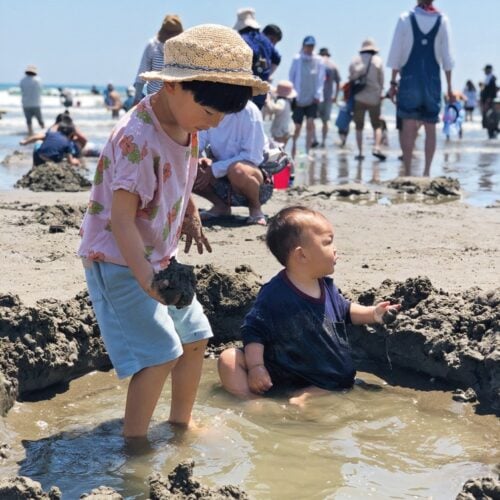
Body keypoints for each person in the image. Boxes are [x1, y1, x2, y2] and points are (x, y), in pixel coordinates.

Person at [77, 24, 268, 438]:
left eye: (222, 115)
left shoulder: (189, 125)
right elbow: (120, 218)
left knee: (196, 336)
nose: (214, 123)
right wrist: (145, 279)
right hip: (118, 260)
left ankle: (180, 424)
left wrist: (189, 215)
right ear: (174, 87)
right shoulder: (137, 139)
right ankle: (135, 443)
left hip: (160, 257)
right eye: (209, 111)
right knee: (160, 355)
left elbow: (179, 179)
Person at [218, 206, 400, 405]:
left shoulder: (326, 286)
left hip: (328, 376)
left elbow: (346, 310)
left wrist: (374, 313)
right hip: (289, 369)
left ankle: (307, 398)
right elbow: (254, 331)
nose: (335, 248)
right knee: (229, 359)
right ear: (302, 255)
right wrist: (256, 367)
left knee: (303, 398)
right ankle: (251, 402)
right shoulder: (274, 294)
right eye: (328, 242)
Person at [387, 0, 454, 176]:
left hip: (409, 78)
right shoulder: (442, 20)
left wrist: (393, 82)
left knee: (408, 125)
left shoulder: (405, 18)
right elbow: (447, 57)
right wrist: (449, 87)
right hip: (432, 80)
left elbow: (396, 53)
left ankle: (408, 171)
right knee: (430, 126)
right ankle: (426, 172)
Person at [193, 100, 271, 226]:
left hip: (254, 177)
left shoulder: (248, 110)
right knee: (187, 167)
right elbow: (196, 145)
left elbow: (253, 157)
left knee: (238, 170)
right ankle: (220, 206)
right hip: (220, 174)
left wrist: (213, 169)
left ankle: (255, 208)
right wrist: (200, 160)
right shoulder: (207, 107)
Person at [234, 8, 281, 110]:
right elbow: (277, 58)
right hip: (261, 91)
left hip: (244, 92)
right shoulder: (265, 40)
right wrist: (268, 74)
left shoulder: (241, 38)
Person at [133, 14, 183, 105]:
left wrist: (137, 98)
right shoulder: (153, 45)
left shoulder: (183, 48)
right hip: (165, 101)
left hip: (165, 101)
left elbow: (141, 74)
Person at [349, 39, 386, 161]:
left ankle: (360, 153)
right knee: (377, 125)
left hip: (359, 97)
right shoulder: (378, 61)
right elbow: (381, 81)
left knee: (359, 126)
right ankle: (376, 147)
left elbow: (351, 77)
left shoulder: (355, 60)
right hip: (374, 98)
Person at [289, 36, 325, 158]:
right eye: (308, 45)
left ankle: (307, 151)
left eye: (312, 46)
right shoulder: (297, 59)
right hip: (298, 98)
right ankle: (293, 147)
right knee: (297, 127)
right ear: (303, 45)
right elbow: (291, 77)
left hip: (312, 98)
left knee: (310, 124)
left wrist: (318, 94)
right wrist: (292, 94)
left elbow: (321, 79)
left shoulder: (319, 60)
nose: (310, 48)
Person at [317, 48, 341, 148]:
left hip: (317, 96)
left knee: (311, 118)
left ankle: (314, 140)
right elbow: (338, 82)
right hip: (328, 97)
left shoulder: (316, 63)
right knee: (325, 121)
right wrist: (335, 96)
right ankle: (323, 141)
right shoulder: (333, 65)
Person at [265, 80, 296, 147]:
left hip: (280, 128)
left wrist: (268, 101)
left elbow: (274, 109)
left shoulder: (281, 101)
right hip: (288, 127)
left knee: (278, 149)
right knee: (282, 148)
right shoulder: (288, 101)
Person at [19, 64, 44, 136]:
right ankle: (44, 132)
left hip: (25, 103)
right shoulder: (38, 80)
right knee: (40, 120)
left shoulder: (22, 80)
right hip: (36, 103)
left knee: (28, 121)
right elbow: (40, 90)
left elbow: (22, 90)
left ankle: (30, 133)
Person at [480, 65, 498, 136]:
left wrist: (488, 100)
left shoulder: (491, 79)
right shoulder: (488, 78)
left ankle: (493, 131)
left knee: (490, 117)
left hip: (489, 101)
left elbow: (491, 90)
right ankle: (492, 132)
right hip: (487, 101)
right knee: (488, 117)